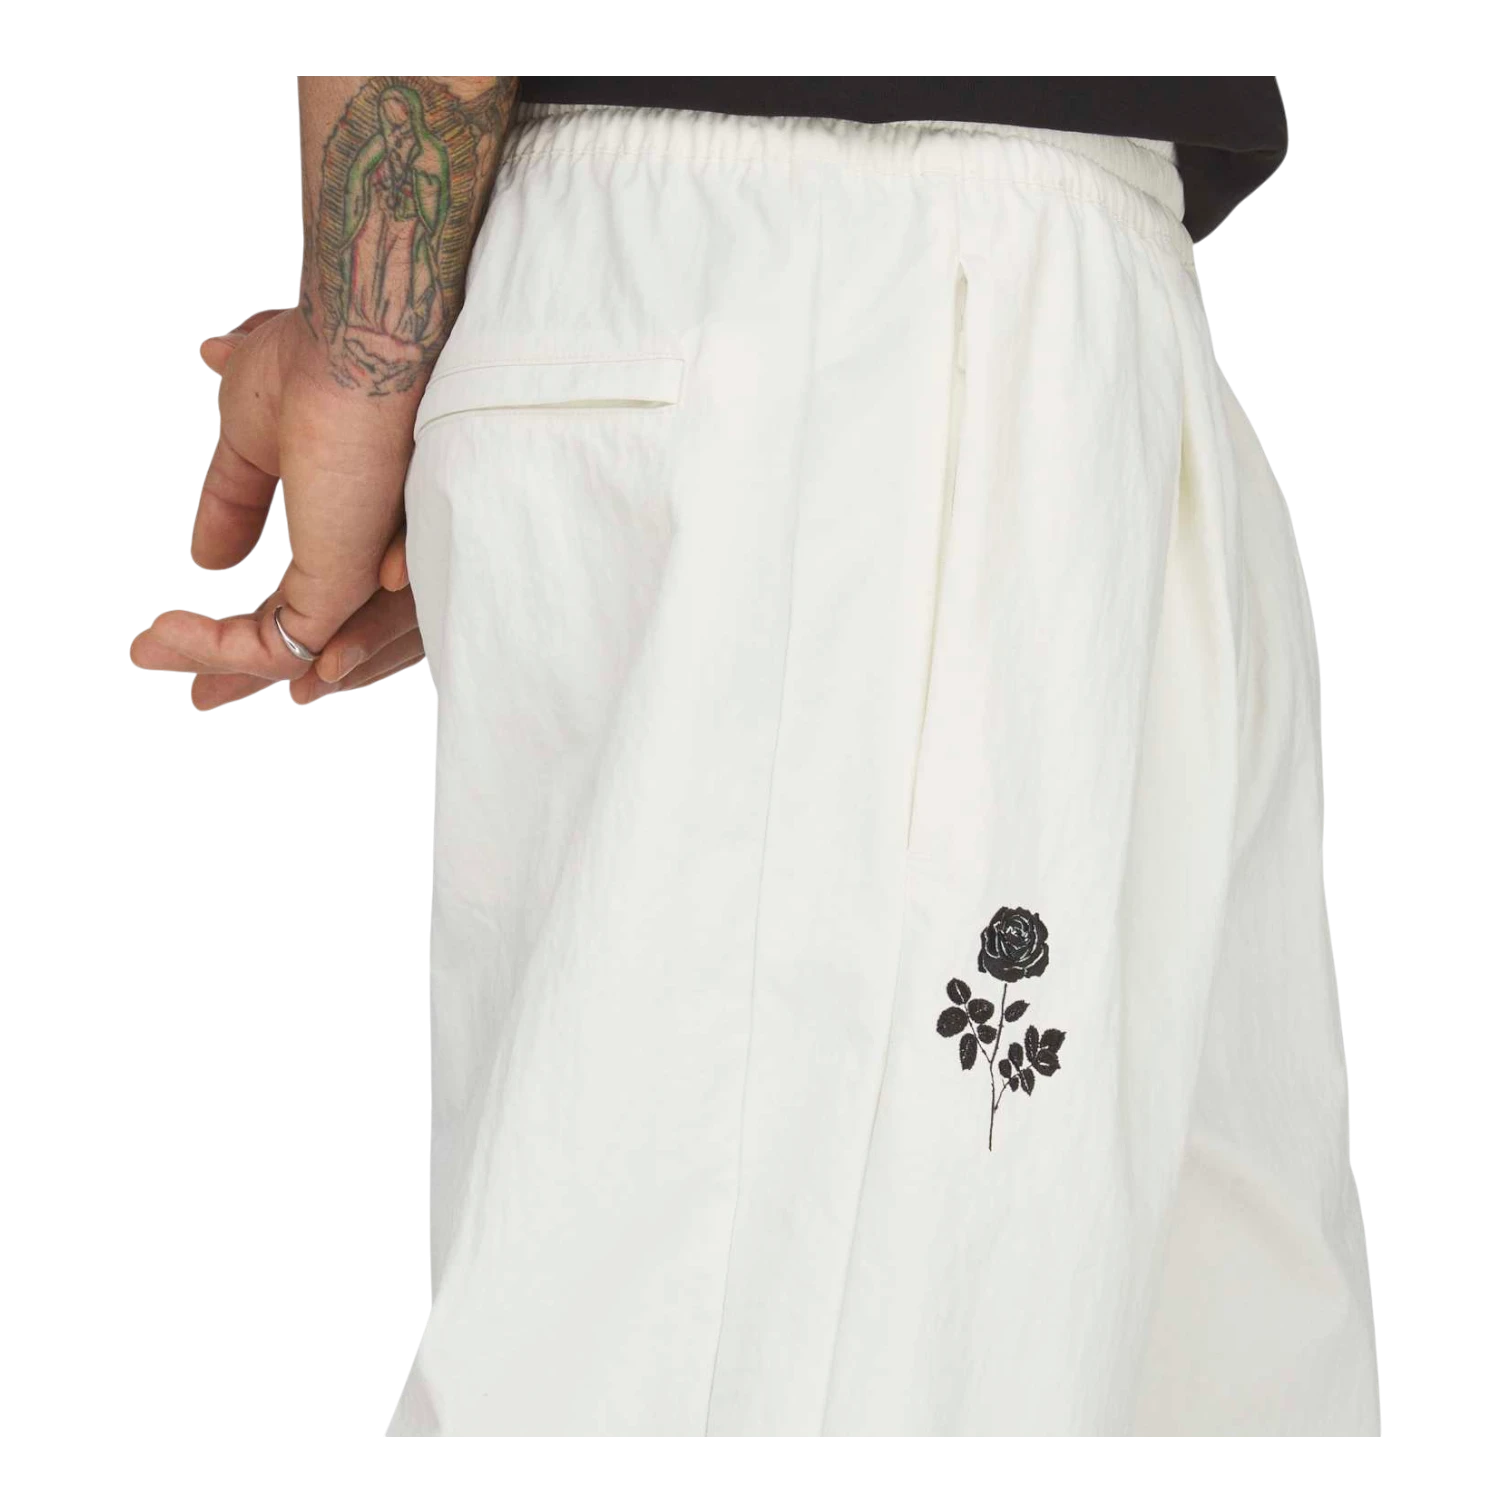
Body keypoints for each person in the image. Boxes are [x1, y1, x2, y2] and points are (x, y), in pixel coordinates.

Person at [134, 73, 1379, 1440]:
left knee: (1180, 1359)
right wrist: (372, 364)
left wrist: (364, 360)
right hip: (868, 289)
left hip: (951, 302)